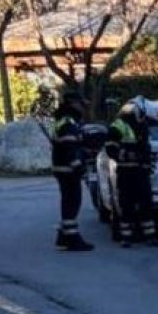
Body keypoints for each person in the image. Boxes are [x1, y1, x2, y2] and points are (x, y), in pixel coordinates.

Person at [106, 96, 158, 248]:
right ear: (137, 112)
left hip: (141, 172)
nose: (146, 120)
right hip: (126, 172)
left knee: (146, 204)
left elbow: (145, 148)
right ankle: (126, 237)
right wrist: (125, 155)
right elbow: (110, 148)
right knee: (126, 205)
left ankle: (150, 235)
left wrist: (147, 163)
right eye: (145, 117)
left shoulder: (142, 126)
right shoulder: (118, 125)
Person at [51, 92, 93, 252]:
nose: (82, 107)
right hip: (68, 169)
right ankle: (72, 239)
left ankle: (63, 238)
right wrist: (77, 165)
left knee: (69, 202)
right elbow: (70, 146)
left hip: (63, 168)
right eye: (80, 104)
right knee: (72, 202)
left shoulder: (64, 121)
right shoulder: (68, 122)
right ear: (73, 104)